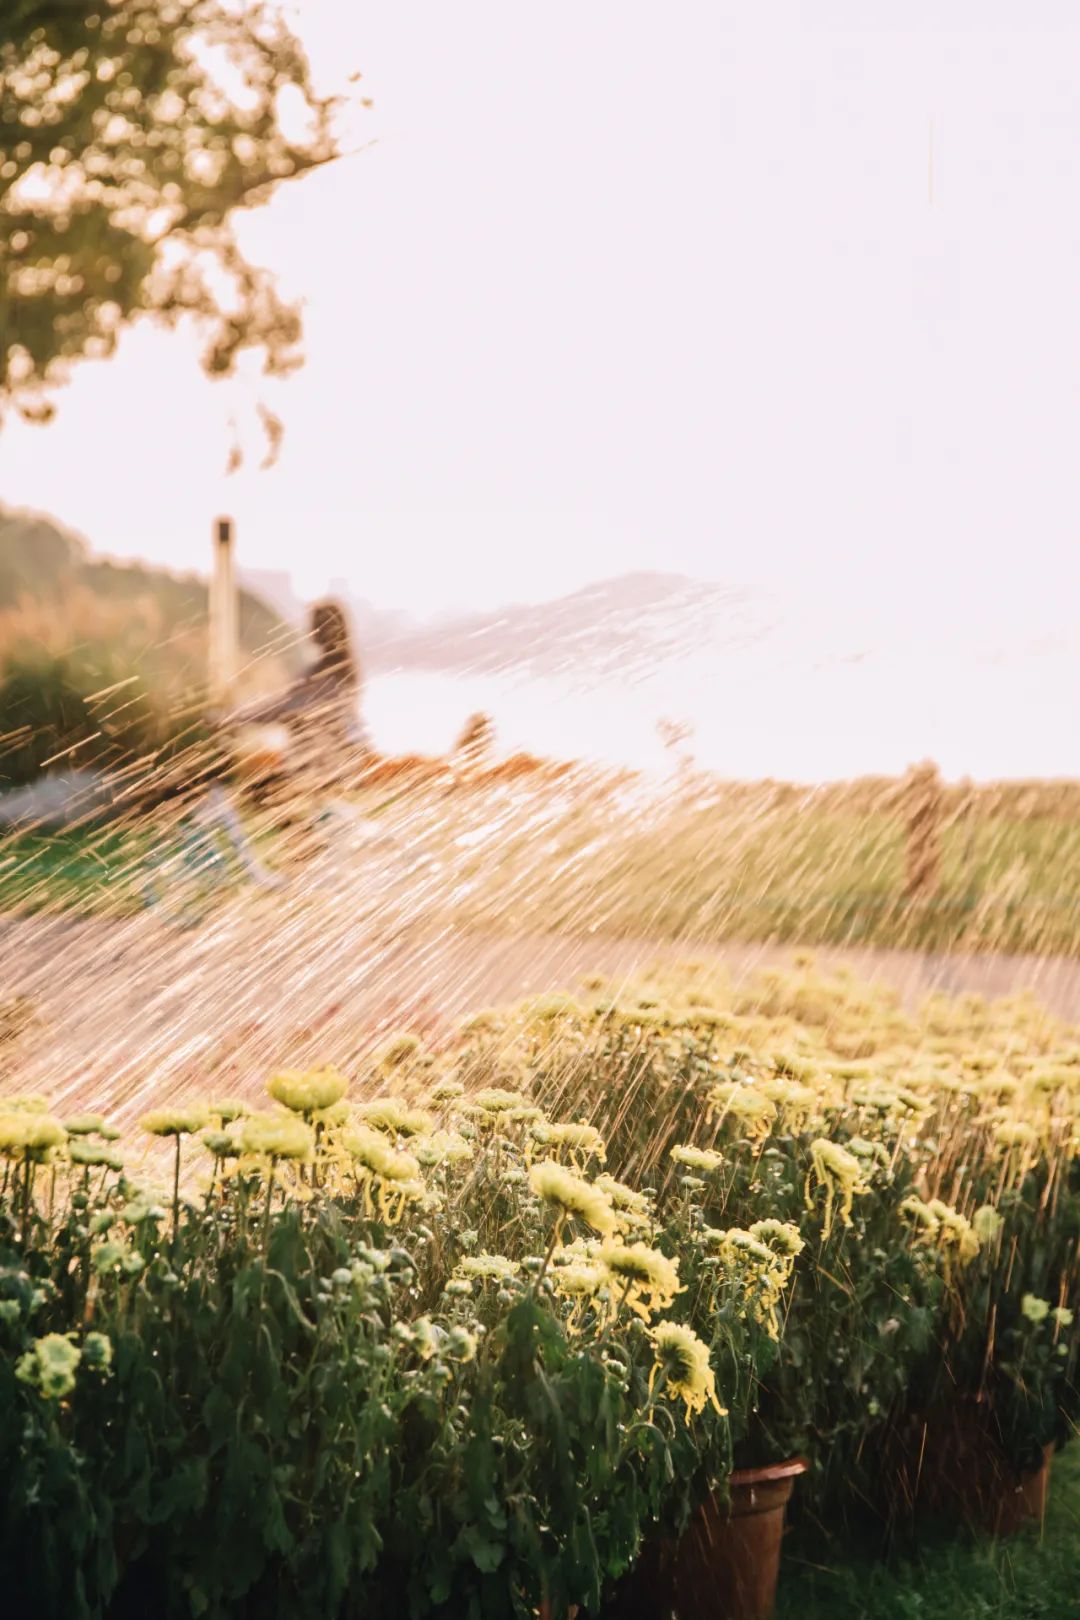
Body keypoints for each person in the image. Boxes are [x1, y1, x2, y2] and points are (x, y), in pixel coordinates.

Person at [227, 600, 369, 794]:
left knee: (255, 795)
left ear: (319, 631)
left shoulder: (321, 677)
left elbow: (283, 709)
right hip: (336, 769)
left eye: (314, 626)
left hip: (315, 773)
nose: (309, 631)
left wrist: (232, 718)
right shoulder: (346, 672)